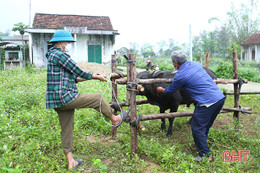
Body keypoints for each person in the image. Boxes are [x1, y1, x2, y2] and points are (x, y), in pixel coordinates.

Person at [46, 30, 129, 170]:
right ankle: (114, 119)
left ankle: (71, 162)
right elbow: (77, 70)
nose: (67, 45)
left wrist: (94, 75)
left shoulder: (52, 55)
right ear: (61, 42)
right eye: (67, 42)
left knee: (67, 129)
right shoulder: (60, 55)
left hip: (56, 101)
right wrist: (93, 76)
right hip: (65, 97)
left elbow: (74, 77)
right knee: (97, 98)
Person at [156, 50, 225, 161]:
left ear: (175, 63)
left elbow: (170, 91)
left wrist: (161, 90)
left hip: (207, 102)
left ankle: (206, 155)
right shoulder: (196, 64)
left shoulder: (180, 76)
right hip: (219, 98)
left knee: (197, 128)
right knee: (204, 126)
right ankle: (200, 147)